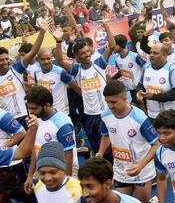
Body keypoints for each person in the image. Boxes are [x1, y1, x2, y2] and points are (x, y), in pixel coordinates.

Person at [54, 21, 116, 154]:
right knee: (95, 145)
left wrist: (106, 25)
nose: (87, 54)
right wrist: (58, 41)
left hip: (105, 112)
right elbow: (59, 60)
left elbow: (112, 46)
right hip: (88, 115)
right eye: (83, 53)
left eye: (88, 51)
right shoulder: (76, 70)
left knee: (108, 148)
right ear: (76, 57)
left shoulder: (98, 64)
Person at [97, 80, 160, 203]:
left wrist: (141, 165)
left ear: (125, 98)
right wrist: (100, 152)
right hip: (120, 172)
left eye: (114, 102)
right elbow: (105, 136)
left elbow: (156, 144)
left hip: (141, 172)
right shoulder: (105, 115)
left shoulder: (140, 118)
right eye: (107, 102)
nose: (110, 106)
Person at [23, 86, 78, 194]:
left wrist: (66, 181)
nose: (31, 112)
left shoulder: (62, 125)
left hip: (61, 171)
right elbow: (35, 149)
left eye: (34, 108)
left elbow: (68, 156)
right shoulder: (34, 120)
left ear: (47, 105)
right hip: (42, 169)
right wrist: (30, 175)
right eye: (29, 108)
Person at [0, 21, 46, 127]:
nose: (5, 62)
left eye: (6, 59)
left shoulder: (16, 69)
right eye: (1, 60)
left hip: (24, 116)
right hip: (6, 120)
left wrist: (42, 32)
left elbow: (33, 52)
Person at [136, 43, 175, 120]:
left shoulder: (172, 70)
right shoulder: (146, 67)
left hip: (171, 116)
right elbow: (140, 85)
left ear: (164, 55)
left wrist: (153, 97)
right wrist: (139, 92)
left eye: (155, 53)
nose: (151, 55)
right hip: (152, 115)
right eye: (151, 52)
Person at [0, 108, 36, 203]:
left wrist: (3, 149)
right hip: (7, 158)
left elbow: (21, 133)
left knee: (15, 191)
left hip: (8, 163)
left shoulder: (2, 115)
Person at [33, 48, 81, 115]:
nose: (46, 62)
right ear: (37, 59)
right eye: (43, 59)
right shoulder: (36, 73)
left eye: (48, 58)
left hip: (61, 113)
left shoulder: (60, 72)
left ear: (52, 58)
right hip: (46, 114)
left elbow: (75, 87)